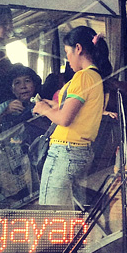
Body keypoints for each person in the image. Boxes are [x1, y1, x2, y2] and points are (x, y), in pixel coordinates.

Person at [33, 26, 108, 207]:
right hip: (81, 152)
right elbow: (77, 110)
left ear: (78, 48)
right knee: (69, 217)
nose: (67, 59)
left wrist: (43, 109)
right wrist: (54, 106)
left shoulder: (82, 77)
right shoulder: (95, 77)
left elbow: (64, 119)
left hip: (65, 152)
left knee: (50, 217)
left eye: (68, 52)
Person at [0, 64, 42, 136]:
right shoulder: (4, 106)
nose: (23, 86)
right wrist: (5, 113)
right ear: (12, 89)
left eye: (27, 81)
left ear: (34, 84)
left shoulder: (43, 104)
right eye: (17, 83)